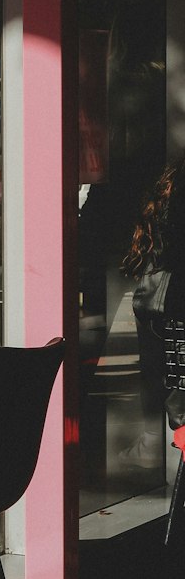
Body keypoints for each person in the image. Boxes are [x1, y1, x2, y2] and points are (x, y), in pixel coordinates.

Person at [122, 154, 185, 474]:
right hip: (172, 302)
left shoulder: (172, 176)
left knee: (164, 380)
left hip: (160, 298)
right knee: (176, 390)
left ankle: (152, 442)